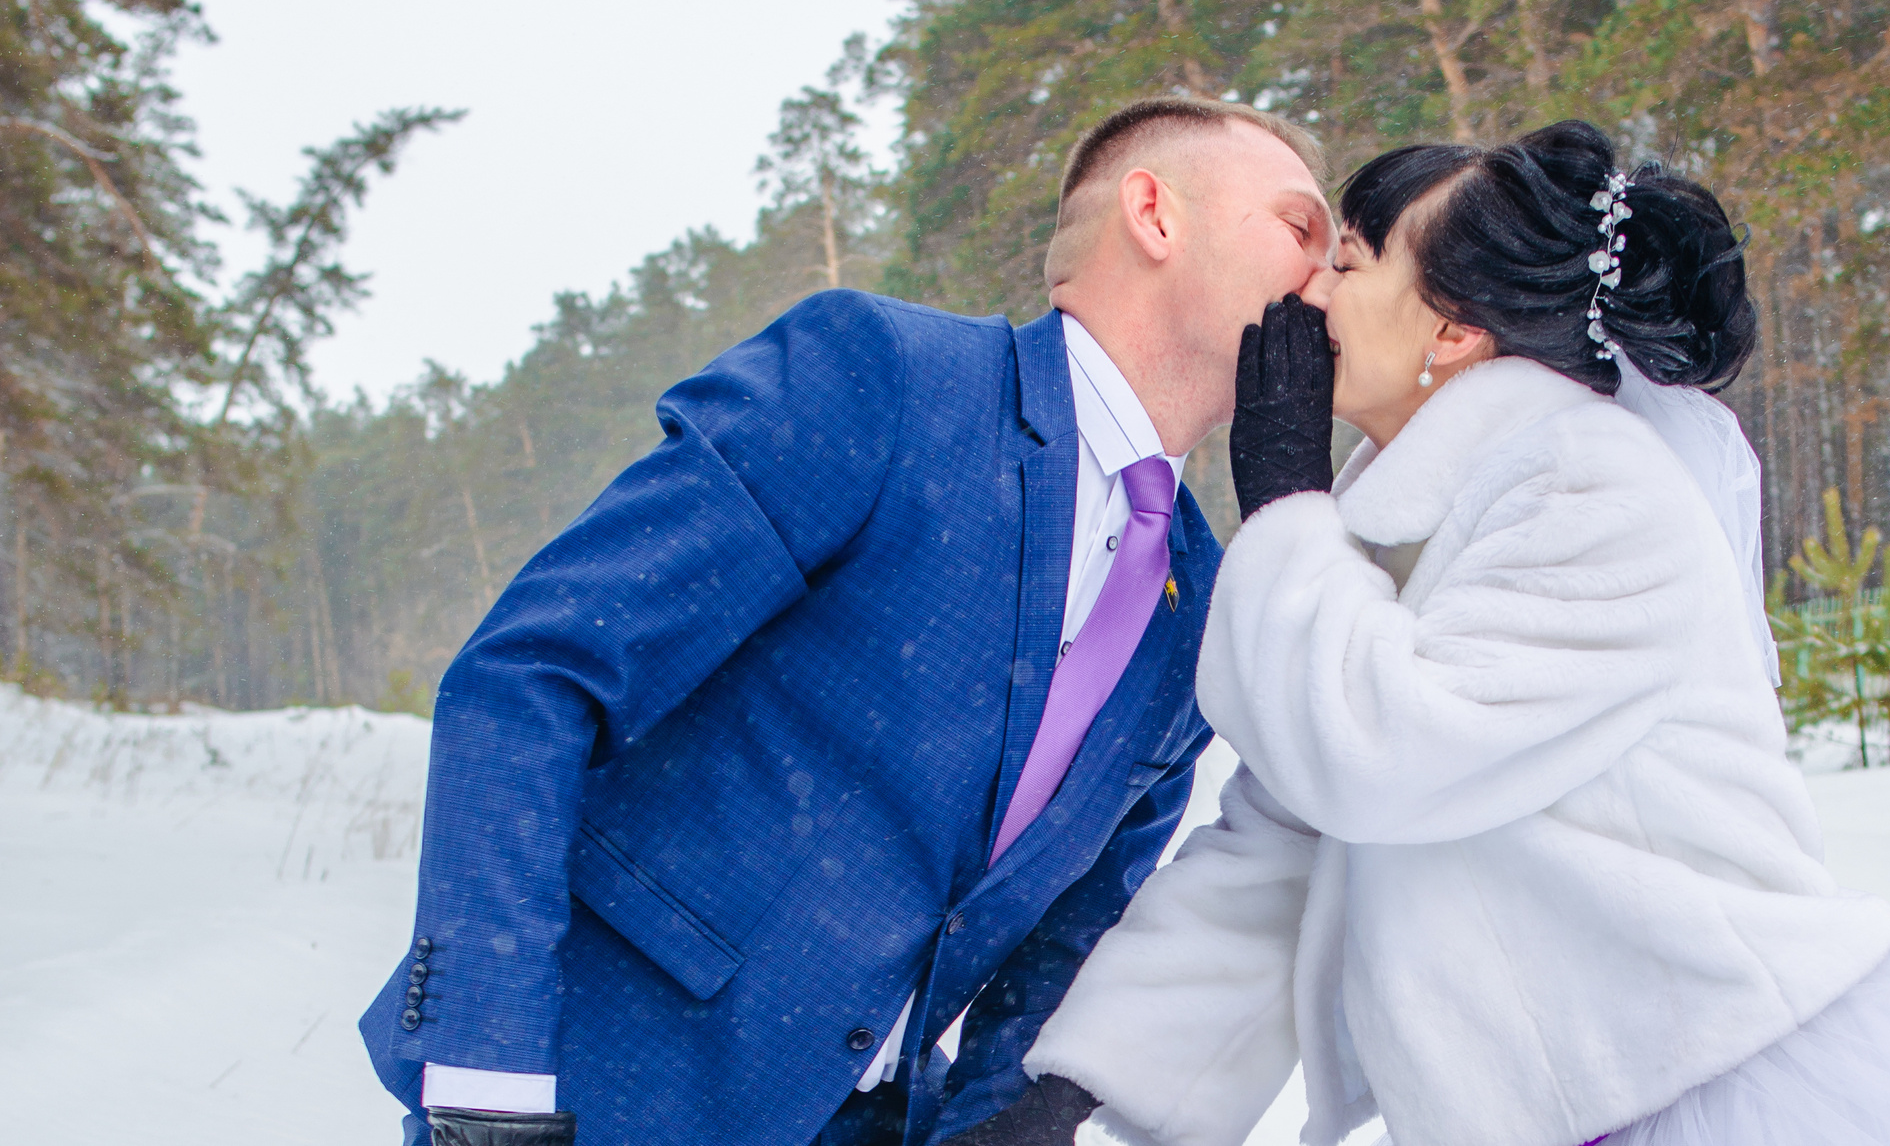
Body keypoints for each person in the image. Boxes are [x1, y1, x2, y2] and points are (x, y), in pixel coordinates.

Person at [1023, 120, 1890, 1146]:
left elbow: (1381, 750)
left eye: (1349, 261)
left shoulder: (1588, 486)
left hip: (1717, 1090)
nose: (1311, 290)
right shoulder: (1387, 528)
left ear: (1454, 331)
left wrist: (1284, 496)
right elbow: (1283, 841)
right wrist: (1081, 1087)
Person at [359, 98, 1334, 1146]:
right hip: (599, 1094)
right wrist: (488, 1081)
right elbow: (535, 674)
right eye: (1300, 227)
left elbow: (1067, 945)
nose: (1330, 275)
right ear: (1154, 212)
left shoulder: (1202, 598)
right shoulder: (885, 379)